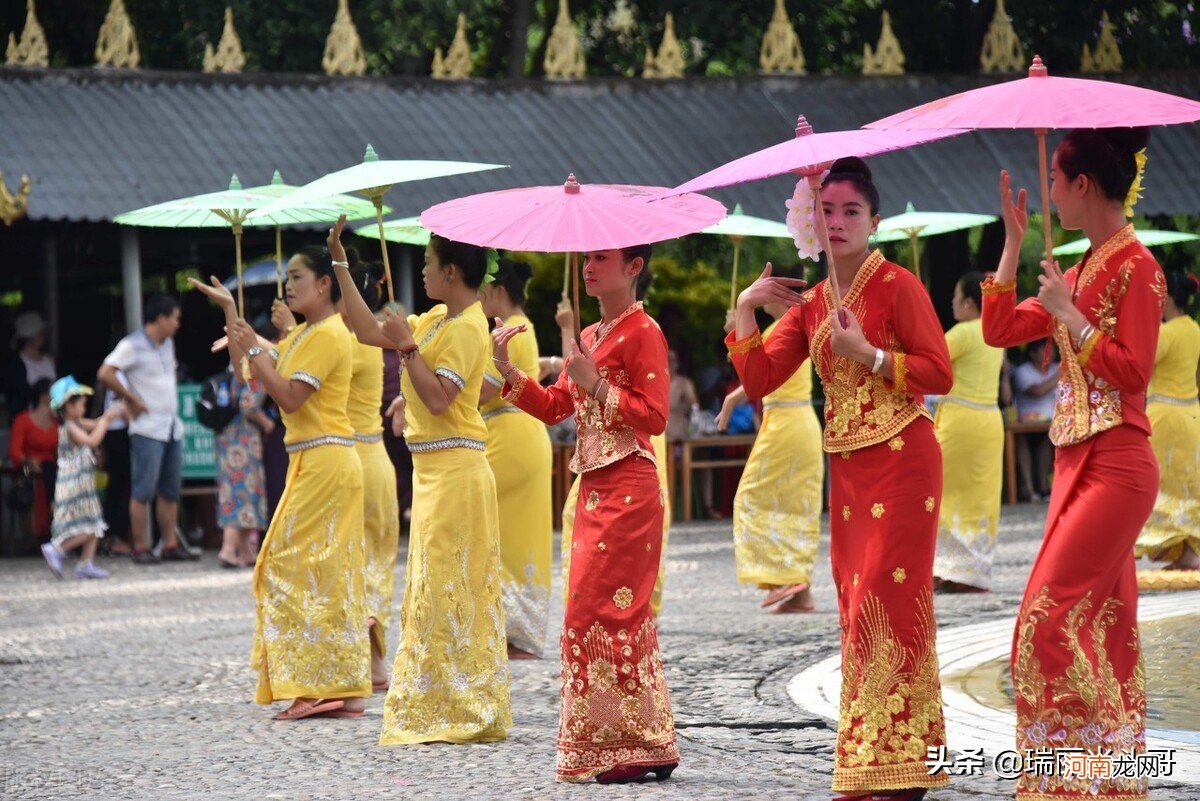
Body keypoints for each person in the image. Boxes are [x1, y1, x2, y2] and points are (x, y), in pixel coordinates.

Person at [727, 157, 953, 799]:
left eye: (851, 211)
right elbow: (760, 382)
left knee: (892, 599)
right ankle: (870, 757)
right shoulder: (812, 304)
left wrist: (870, 355)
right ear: (811, 221)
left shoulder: (898, 285)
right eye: (826, 210)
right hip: (850, 473)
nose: (838, 221)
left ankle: (906, 758)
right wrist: (747, 308)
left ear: (874, 221)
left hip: (906, 459)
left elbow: (939, 373)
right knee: (856, 608)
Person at [983, 127, 1162, 800]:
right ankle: (1110, 780)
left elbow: (1134, 370)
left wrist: (1073, 319)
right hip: (1077, 463)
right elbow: (1000, 329)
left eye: (1055, 181)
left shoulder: (1137, 266)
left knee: (1043, 623)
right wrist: (1012, 240)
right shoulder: (1083, 267)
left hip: (1118, 462)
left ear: (1083, 184)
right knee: (1104, 627)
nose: (1050, 192)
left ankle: (1075, 778)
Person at [494, 244, 679, 784]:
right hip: (593, 487)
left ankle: (632, 742)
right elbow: (556, 407)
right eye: (588, 259)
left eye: (602, 258)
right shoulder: (593, 337)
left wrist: (596, 383)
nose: (589, 267)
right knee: (589, 615)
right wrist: (509, 370)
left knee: (611, 613)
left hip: (630, 485)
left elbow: (656, 416)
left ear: (634, 267)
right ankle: (641, 739)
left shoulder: (645, 332)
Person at [332, 217, 511, 745]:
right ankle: (438, 698)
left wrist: (408, 350)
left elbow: (438, 399)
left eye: (430, 265)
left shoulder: (468, 326)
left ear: (452, 271)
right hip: (432, 472)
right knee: (431, 590)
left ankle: (460, 703)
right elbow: (365, 330)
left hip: (458, 471)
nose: (424, 273)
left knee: (449, 588)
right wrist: (339, 260)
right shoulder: (435, 317)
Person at [191, 246, 371, 721]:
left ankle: (317, 686)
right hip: (313, 462)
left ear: (324, 284)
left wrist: (254, 343)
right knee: (322, 571)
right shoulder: (304, 336)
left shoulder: (330, 335)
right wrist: (233, 315)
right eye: (286, 278)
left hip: (326, 462)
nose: (288, 286)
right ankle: (341, 686)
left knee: (286, 566)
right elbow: (248, 376)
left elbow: (290, 398)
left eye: (296, 277)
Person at [718, 293, 824, 614]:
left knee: (753, 497)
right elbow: (756, 375)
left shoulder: (782, 327)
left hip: (786, 426)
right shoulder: (792, 327)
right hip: (796, 422)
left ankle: (786, 576)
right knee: (793, 502)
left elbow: (754, 378)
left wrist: (738, 332)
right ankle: (799, 590)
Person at [479, 259, 553, 660]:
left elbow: (485, 392)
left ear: (499, 291)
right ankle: (512, 629)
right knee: (512, 535)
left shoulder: (511, 329)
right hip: (518, 435)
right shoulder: (519, 326)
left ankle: (506, 628)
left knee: (495, 530)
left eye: (484, 290)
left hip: (510, 436)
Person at [98, 295, 196, 564]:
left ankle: (170, 544)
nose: (177, 324)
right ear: (161, 318)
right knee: (142, 490)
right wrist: (131, 398)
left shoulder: (168, 344)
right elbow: (105, 372)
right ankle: (141, 546)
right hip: (146, 428)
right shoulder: (132, 344)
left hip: (171, 426)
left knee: (169, 490)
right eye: (174, 318)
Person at [932, 272, 1005, 593]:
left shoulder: (962, 332)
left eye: (956, 297)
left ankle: (950, 568)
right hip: (989, 420)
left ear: (969, 302)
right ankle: (969, 570)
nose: (951, 303)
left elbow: (931, 362)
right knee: (980, 497)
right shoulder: (995, 332)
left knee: (946, 493)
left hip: (961, 422)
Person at [1134, 271, 1200, 570]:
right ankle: (1184, 552)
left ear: (1168, 297)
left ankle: (1168, 547)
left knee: (1164, 485)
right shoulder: (1193, 329)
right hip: (1191, 413)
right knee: (1184, 483)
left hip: (1166, 418)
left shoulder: (1167, 332)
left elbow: (1138, 365)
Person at [40, 376, 122, 580]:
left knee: (94, 521)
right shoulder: (70, 427)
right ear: (68, 406)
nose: (84, 408)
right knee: (86, 526)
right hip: (74, 485)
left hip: (82, 483)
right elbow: (92, 438)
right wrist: (105, 422)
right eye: (81, 404)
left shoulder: (76, 422)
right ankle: (57, 549)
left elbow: (93, 424)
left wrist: (107, 418)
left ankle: (86, 563)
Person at [213, 365, 271, 568]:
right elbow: (249, 404)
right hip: (244, 440)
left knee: (236, 490)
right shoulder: (255, 371)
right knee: (242, 491)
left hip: (227, 438)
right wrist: (267, 424)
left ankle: (246, 551)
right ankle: (228, 549)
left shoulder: (235, 371)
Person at [9, 378, 58, 541]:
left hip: (51, 468)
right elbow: (15, 452)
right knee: (47, 470)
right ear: (44, 396)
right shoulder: (23, 420)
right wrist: (29, 461)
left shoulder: (57, 422)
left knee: (53, 469)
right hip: (30, 470)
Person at [1012, 338, 1058, 501]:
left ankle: (1044, 488)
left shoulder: (1055, 368)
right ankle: (1029, 490)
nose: (1049, 353)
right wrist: (1061, 373)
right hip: (1024, 421)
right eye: (1044, 350)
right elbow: (1037, 391)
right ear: (1032, 354)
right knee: (1022, 442)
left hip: (1050, 423)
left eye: (1051, 349)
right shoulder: (1023, 371)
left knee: (1046, 442)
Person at [98, 373, 133, 555]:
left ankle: (118, 536)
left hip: (119, 429)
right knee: (121, 486)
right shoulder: (118, 371)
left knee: (120, 486)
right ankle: (114, 537)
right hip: (119, 430)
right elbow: (125, 404)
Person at [8, 310, 56, 420]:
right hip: (31, 421)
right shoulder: (17, 364)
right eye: (37, 333)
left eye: (42, 332)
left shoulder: (49, 360)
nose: (42, 336)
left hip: (53, 420)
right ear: (27, 337)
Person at [665, 349, 698, 442]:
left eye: (672, 360)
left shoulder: (684, 383)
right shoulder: (654, 382)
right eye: (667, 359)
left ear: (677, 363)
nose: (669, 363)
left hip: (677, 434)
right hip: (658, 436)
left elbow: (694, 407)